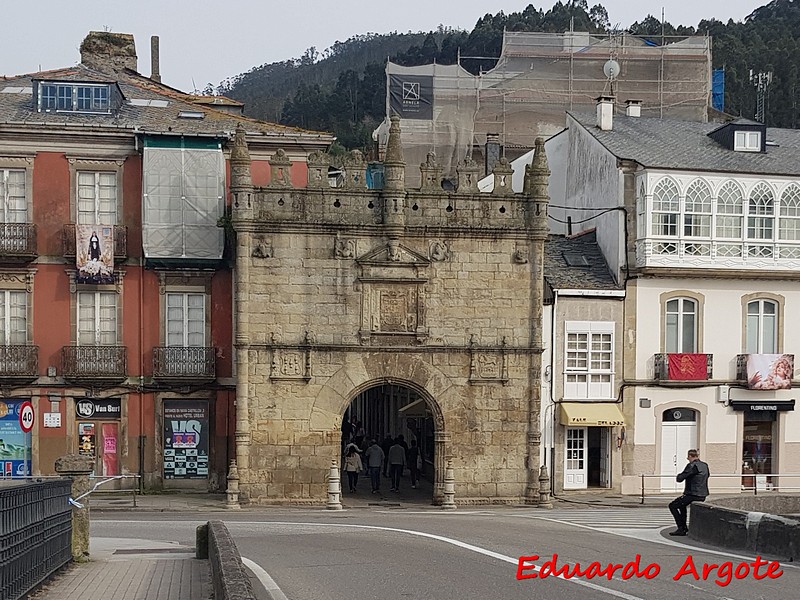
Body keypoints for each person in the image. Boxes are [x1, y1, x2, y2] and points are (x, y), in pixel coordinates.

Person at [668, 449, 710, 536]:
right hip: (703, 494)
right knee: (682, 506)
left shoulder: (692, 465)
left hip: (692, 494)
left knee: (673, 505)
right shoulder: (705, 465)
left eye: (688, 457)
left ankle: (681, 528)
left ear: (690, 456)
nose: (688, 459)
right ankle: (683, 528)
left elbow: (680, 478)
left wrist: (679, 476)